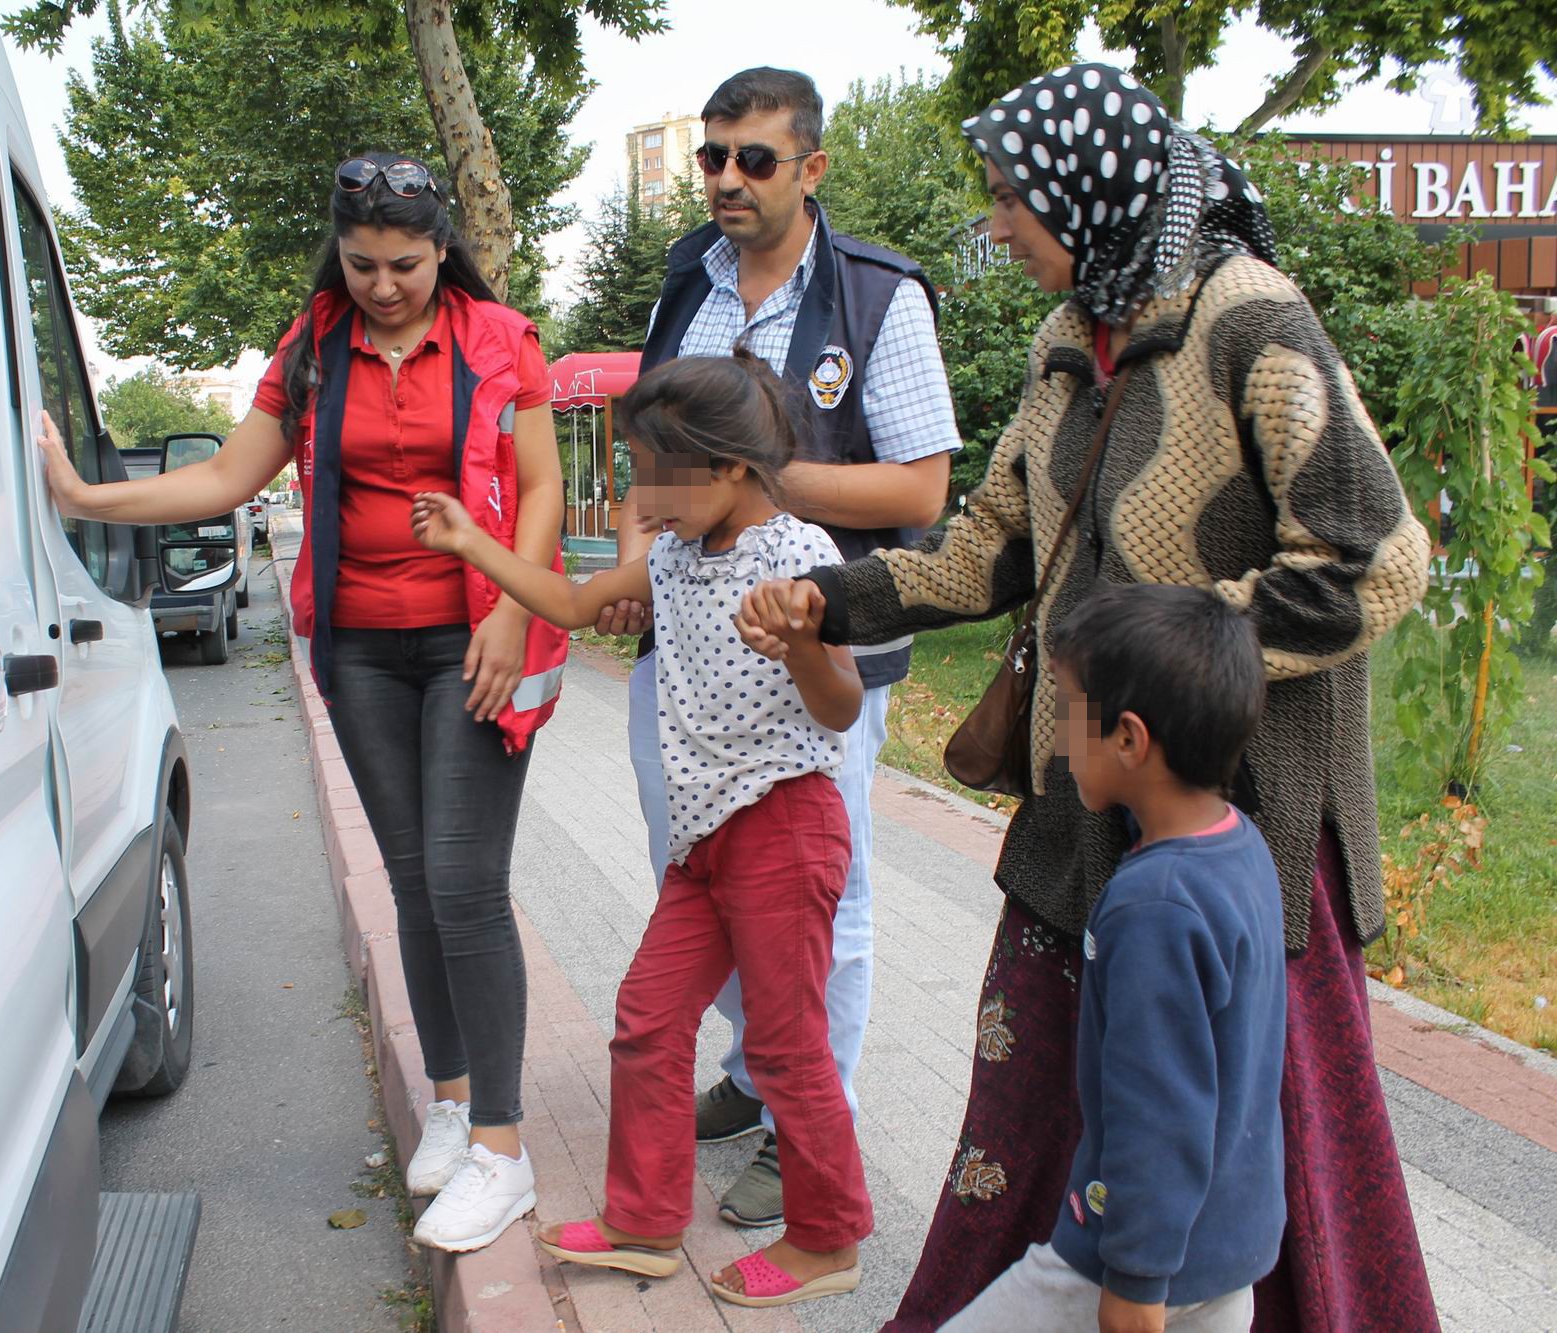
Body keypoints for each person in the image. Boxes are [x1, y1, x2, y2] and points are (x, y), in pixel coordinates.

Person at [737, 63, 1438, 1333]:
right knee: (1036, 1093)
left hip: (1235, 811)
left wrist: (1163, 655)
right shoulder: (1069, 343)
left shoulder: (1248, 320)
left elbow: (1374, 557)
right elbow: (986, 548)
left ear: (1088, 187)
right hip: (1080, 791)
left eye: (1010, 197)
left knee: (1232, 1116)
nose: (996, 224)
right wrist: (827, 602)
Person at [38, 152, 565, 1254]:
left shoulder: (498, 336)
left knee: (467, 884)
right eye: (363, 263)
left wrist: (514, 608)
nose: (383, 285)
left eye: (406, 265)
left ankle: (504, 1155)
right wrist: (89, 496)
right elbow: (229, 477)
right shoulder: (316, 344)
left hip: (474, 637)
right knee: (415, 884)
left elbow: (543, 483)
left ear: (441, 250)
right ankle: (456, 1100)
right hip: (362, 648)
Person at [411, 350, 872, 1308]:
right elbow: (575, 605)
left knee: (788, 1046)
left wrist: (798, 644)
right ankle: (645, 1221)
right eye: (635, 467)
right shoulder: (671, 555)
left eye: (659, 470)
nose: (639, 490)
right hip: (703, 842)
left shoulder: (800, 556)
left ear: (731, 469)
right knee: (646, 1021)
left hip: (785, 826)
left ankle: (829, 1237)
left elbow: (839, 707)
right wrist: (471, 545)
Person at [600, 65, 960, 1227]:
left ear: (810, 168)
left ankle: (813, 1124)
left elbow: (918, 484)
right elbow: (648, 449)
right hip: (690, 650)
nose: (725, 180)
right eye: (712, 156)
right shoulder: (683, 284)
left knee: (820, 905)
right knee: (697, 869)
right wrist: (644, 526)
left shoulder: (875, 297)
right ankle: (756, 1077)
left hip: (812, 655)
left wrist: (743, 482)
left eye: (753, 159)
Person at [933, 584, 1284, 1333]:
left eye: (1066, 714)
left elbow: (1158, 1111)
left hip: (1121, 1259)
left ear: (1129, 739)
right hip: (1228, 1245)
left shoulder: (1153, 907)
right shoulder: (1240, 848)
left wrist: (1134, 1277)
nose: (1058, 739)